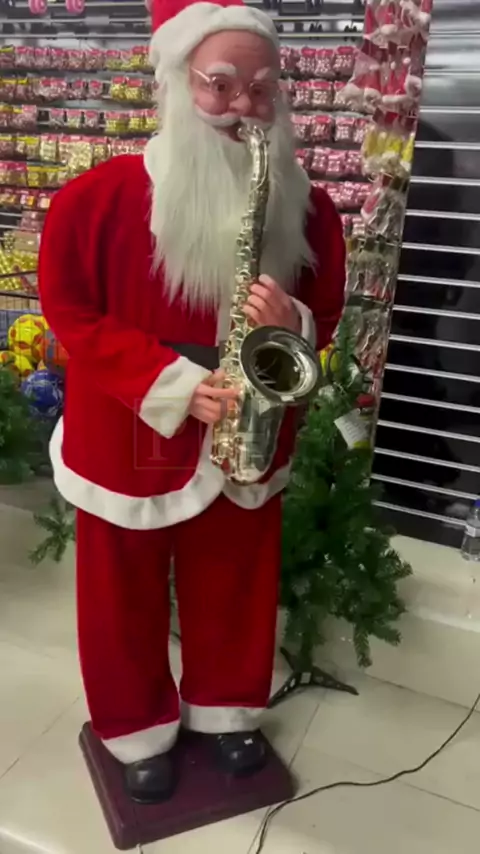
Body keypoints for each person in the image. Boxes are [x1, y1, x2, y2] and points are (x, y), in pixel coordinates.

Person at [38, 0, 346, 804]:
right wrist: (169, 384)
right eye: (222, 85)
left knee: (238, 578)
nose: (244, 106)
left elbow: (326, 308)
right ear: (178, 83)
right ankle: (134, 726)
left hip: (252, 427)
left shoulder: (309, 209)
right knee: (121, 590)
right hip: (130, 428)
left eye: (262, 88)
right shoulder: (93, 200)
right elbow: (69, 309)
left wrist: (292, 323)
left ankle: (226, 712)